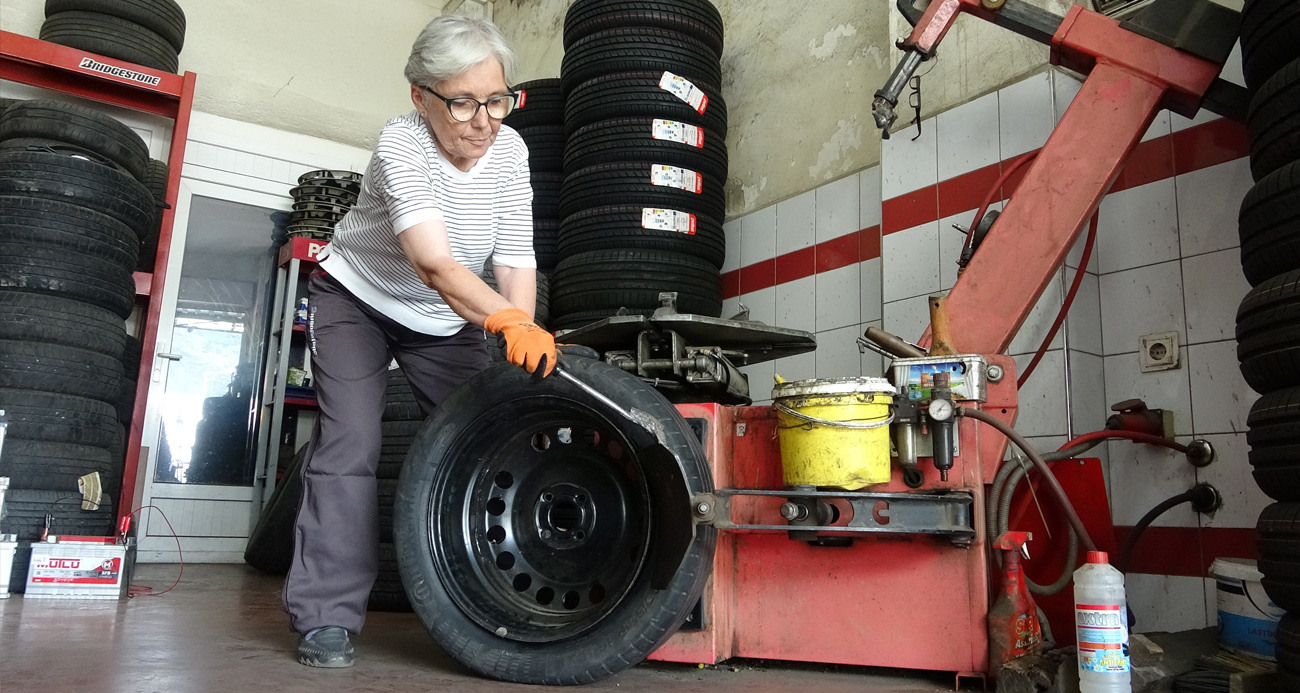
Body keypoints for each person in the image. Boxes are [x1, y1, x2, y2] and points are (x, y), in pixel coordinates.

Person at [281, 15, 556, 668]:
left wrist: (523, 337)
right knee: (352, 441)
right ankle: (325, 616)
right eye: (463, 101)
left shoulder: (511, 152)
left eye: (497, 99)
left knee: (493, 437)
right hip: (357, 300)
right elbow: (435, 264)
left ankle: (503, 600)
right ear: (420, 96)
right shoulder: (401, 145)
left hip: (444, 320)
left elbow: (516, 262)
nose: (484, 119)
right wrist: (509, 323)